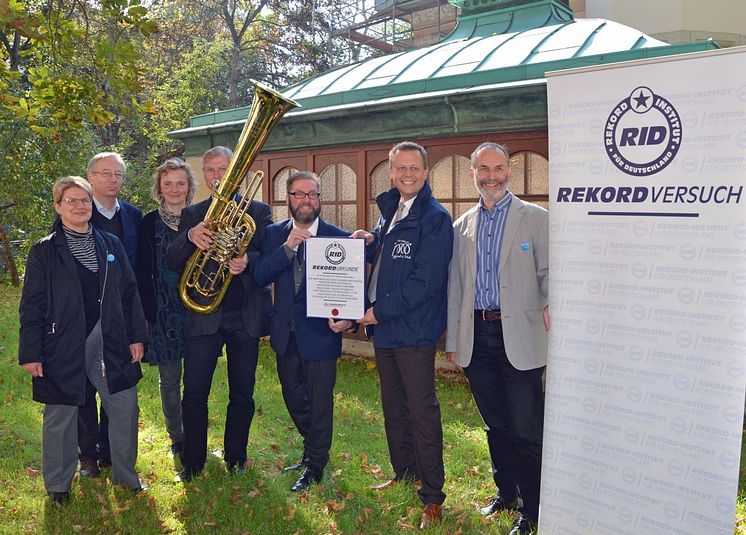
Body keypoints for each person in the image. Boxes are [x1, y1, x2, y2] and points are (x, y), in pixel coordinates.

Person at [18, 176, 147, 504]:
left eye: (84, 201)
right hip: (62, 345)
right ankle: (58, 485)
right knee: (60, 416)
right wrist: (31, 353)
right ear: (58, 206)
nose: (79, 206)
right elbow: (31, 306)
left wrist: (136, 336)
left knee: (125, 408)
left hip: (112, 340)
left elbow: (130, 294)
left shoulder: (110, 245)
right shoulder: (43, 251)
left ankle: (126, 477)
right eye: (71, 201)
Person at [445, 142, 549, 535]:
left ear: (509, 170)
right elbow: (456, 287)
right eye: (483, 168)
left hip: (520, 337)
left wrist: (553, 301)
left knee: (525, 428)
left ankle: (532, 509)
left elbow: (550, 271)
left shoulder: (535, 219)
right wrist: (454, 339)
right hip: (477, 337)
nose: (491, 175)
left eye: (498, 168)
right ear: (473, 173)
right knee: (495, 425)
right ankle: (505, 493)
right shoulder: (461, 226)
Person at [354, 141, 452, 529]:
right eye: (400, 168)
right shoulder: (392, 210)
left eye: (415, 168)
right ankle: (405, 472)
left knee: (421, 411)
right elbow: (393, 260)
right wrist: (371, 242)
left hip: (413, 328)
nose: (407, 174)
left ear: (426, 173)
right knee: (394, 407)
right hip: (387, 330)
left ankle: (432, 495)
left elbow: (424, 281)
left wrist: (378, 311)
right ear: (391, 172)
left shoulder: (434, 217)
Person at [166, 146, 272, 481]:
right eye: (210, 170)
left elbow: (268, 258)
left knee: (243, 393)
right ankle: (193, 462)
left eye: (223, 169)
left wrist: (248, 262)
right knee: (195, 392)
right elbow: (172, 261)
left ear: (236, 172)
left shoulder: (259, 210)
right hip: (203, 315)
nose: (216, 176)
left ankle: (236, 457)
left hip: (244, 317)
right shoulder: (194, 213)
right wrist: (189, 237)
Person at [254, 171, 354, 492]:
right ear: (289, 199)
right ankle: (315, 450)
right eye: (299, 194)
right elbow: (259, 275)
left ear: (319, 199)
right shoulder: (272, 235)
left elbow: (352, 286)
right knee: (294, 397)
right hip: (285, 334)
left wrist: (348, 319)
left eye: (312, 194)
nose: (306, 200)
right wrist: (287, 248)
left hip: (320, 335)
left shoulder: (337, 236)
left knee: (320, 401)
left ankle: (315, 463)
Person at [78, 152, 143, 477]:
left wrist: (138, 326)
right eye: (106, 174)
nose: (113, 180)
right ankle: (87, 455)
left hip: (119, 318)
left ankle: (109, 451)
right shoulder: (77, 211)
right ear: (91, 177)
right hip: (84, 319)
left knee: (116, 385)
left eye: (118, 174)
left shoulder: (132, 215)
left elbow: (137, 274)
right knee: (84, 390)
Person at [136, 158, 198, 460]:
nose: (174, 189)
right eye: (168, 182)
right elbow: (141, 271)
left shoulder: (202, 218)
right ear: (159, 187)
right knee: (171, 380)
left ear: (189, 187)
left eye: (180, 183)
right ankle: (178, 436)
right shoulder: (147, 222)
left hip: (199, 310)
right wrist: (146, 316)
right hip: (162, 312)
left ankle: (196, 432)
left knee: (197, 380)